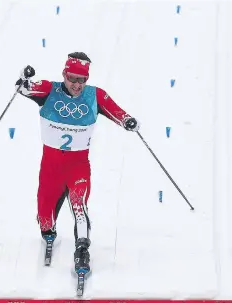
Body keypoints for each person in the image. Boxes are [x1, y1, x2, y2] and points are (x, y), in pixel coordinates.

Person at [15, 52, 140, 275]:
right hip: (51, 169)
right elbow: (24, 88)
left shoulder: (95, 96)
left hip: (78, 167)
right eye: (72, 78)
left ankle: (82, 250)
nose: (76, 85)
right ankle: (48, 231)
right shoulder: (48, 90)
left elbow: (118, 112)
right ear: (64, 74)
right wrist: (24, 79)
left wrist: (127, 120)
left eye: (82, 80)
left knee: (79, 205)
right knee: (45, 216)